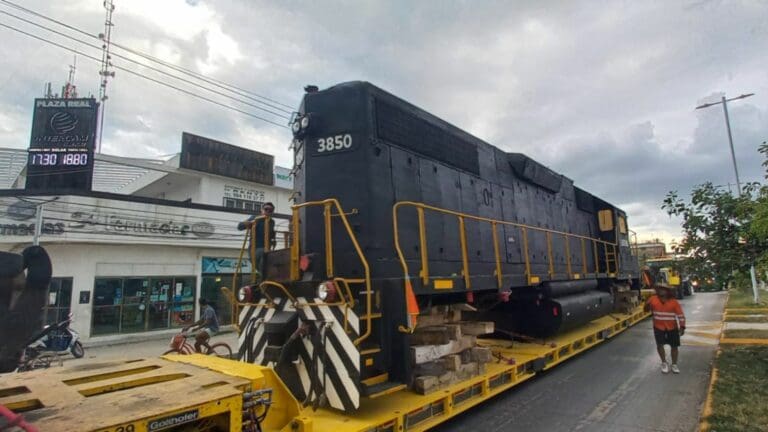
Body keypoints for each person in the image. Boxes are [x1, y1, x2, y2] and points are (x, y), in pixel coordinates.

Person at [644, 283, 686, 374]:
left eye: (663, 289)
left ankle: (674, 364)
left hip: (672, 327)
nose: (660, 291)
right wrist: (646, 305)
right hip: (658, 327)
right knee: (660, 345)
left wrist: (682, 326)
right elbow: (646, 310)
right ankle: (664, 362)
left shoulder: (674, 302)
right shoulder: (653, 299)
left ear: (668, 291)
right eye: (659, 289)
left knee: (674, 346)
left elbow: (680, 315)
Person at [237, 202, 276, 279]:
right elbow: (239, 226)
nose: (268, 211)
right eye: (266, 209)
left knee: (268, 262)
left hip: (266, 249)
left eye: (270, 210)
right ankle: (265, 279)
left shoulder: (271, 222)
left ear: (272, 212)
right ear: (262, 210)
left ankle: (266, 279)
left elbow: (271, 234)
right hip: (254, 249)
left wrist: (273, 240)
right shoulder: (256, 218)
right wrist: (248, 223)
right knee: (263, 261)